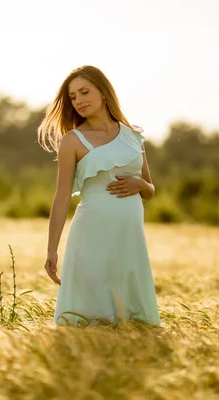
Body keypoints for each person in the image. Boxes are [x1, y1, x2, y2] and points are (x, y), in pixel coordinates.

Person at [37, 65, 161, 326]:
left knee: (131, 321)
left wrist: (139, 184)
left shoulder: (133, 135)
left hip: (129, 238)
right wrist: (51, 249)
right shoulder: (72, 140)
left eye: (85, 92)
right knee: (89, 316)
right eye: (73, 97)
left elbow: (150, 190)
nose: (79, 101)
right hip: (90, 233)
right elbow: (61, 197)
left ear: (104, 92)